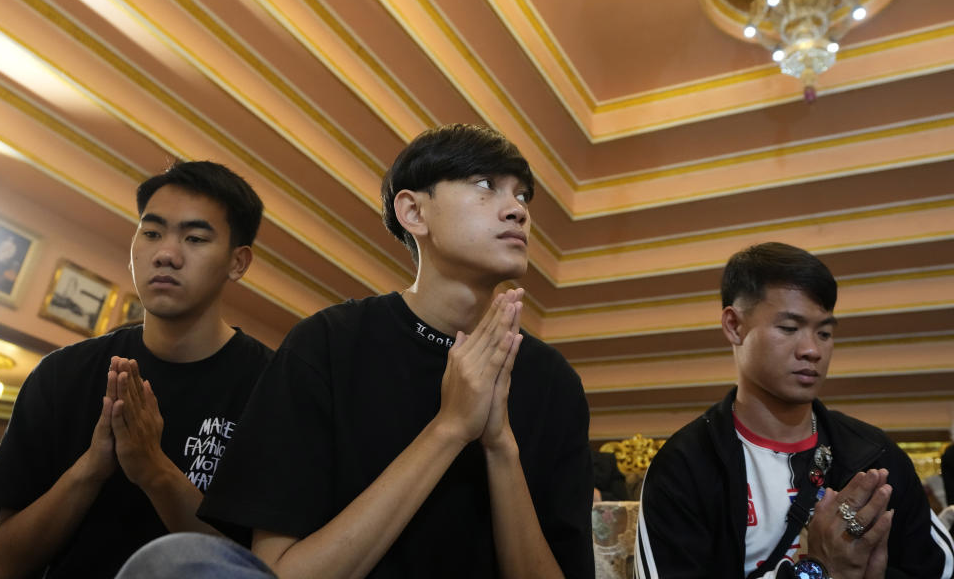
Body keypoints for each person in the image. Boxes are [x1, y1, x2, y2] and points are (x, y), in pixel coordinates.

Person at [117, 123, 594, 579]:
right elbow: (281, 571)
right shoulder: (328, 344)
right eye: (486, 184)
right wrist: (449, 427)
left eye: (522, 194)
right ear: (413, 212)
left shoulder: (554, 382)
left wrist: (499, 446)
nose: (517, 210)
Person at [0, 161, 273, 578]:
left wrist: (154, 471)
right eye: (152, 232)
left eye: (195, 238)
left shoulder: (274, 387)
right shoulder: (62, 375)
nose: (166, 254)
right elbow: (4, 563)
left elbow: (264, 572)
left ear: (238, 263)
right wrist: (93, 465)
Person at [635, 242, 954, 579]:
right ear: (734, 326)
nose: (812, 350)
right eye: (789, 328)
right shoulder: (686, 466)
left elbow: (939, 569)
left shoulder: (872, 455)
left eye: (825, 332)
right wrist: (818, 571)